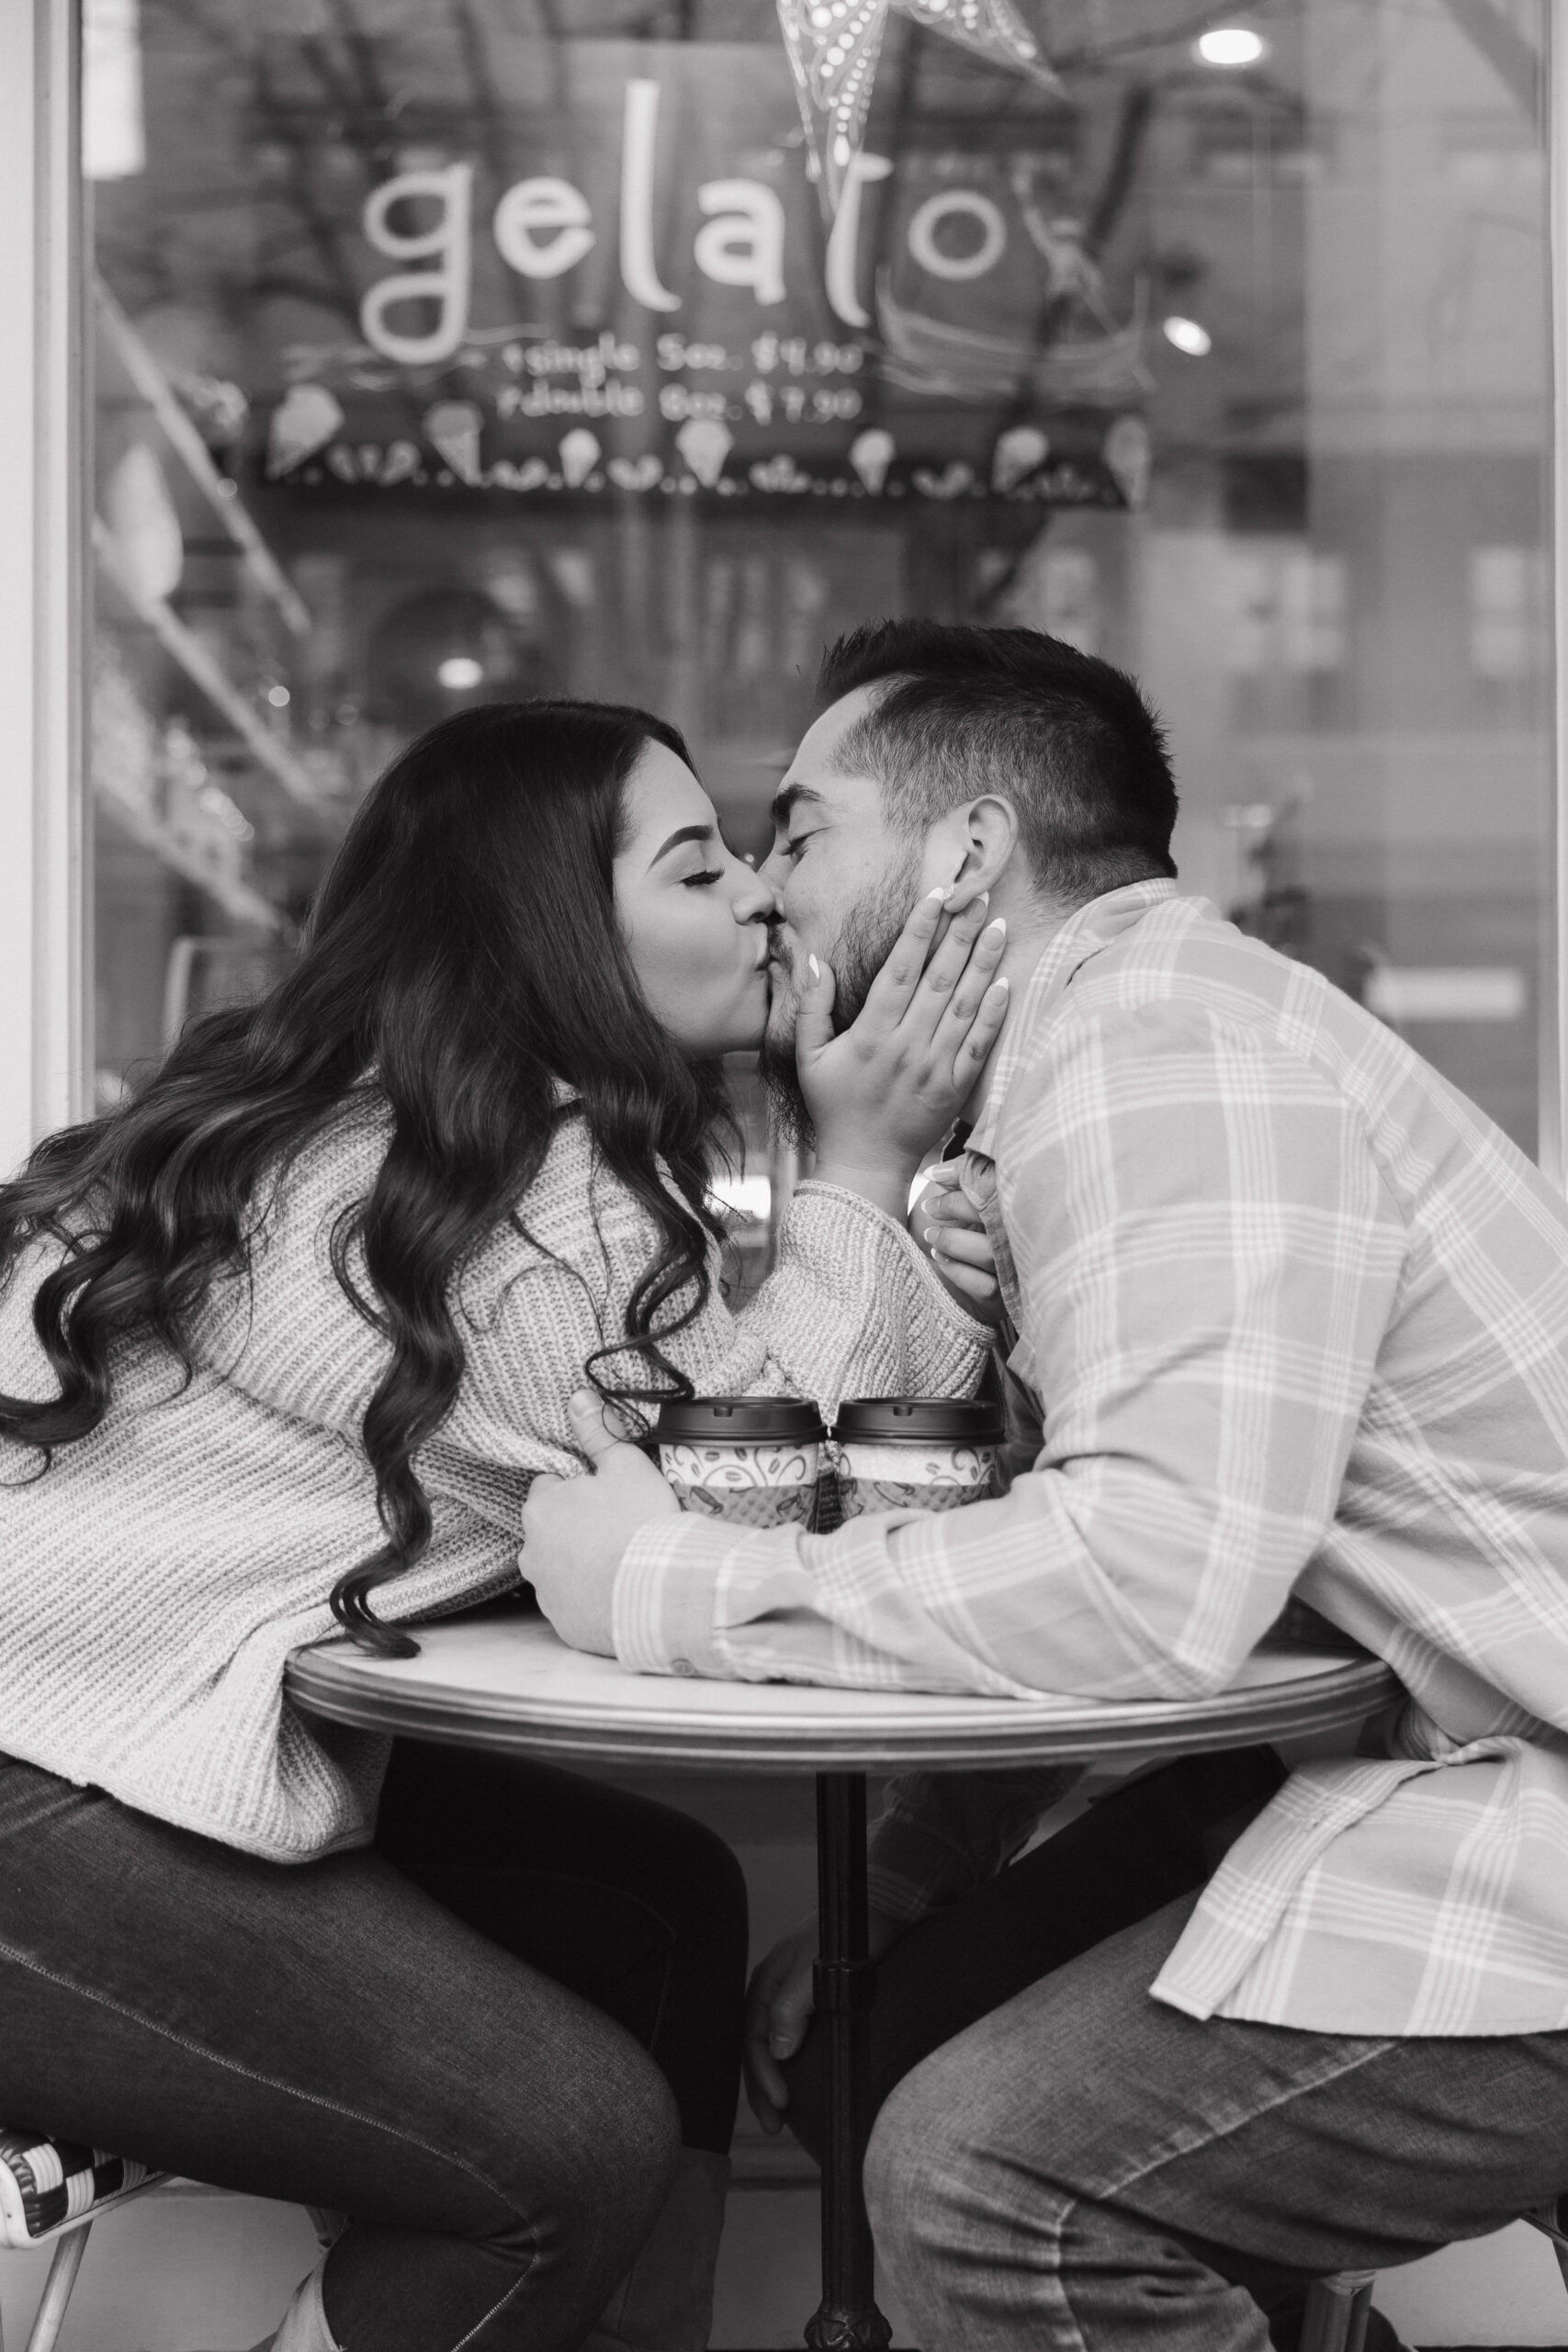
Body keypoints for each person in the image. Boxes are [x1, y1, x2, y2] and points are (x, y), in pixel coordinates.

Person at [524, 621, 1568, 2352]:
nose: (767, 893)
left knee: (980, 2181)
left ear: (968, 853)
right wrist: (923, 1876)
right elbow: (1184, 1564)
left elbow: (1154, 1584)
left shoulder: (1159, 1055)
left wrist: (665, 1579)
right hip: (1427, 1756)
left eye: (798, 830)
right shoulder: (1112, 1061)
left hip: (1524, 1810)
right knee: (880, 2045)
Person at [0, 697, 1006, 2352]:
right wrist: (866, 1167)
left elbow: (743, 1449)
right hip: (40, 1799)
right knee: (571, 2152)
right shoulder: (501, 1196)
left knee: (661, 1905)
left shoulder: (430, 1134)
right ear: (552, 932)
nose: (761, 895)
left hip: (90, 1752)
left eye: (756, 855)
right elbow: (756, 1490)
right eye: (699, 869)